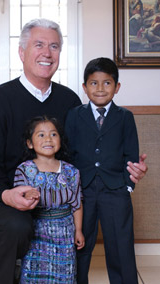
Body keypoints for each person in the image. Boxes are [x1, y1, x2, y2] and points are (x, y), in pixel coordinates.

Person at [0, 18, 147, 284]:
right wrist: (6, 194)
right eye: (39, 45)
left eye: (54, 46)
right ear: (22, 52)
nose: (47, 53)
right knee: (17, 225)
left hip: (54, 194)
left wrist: (127, 170)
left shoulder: (69, 101)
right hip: (2, 191)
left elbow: (81, 156)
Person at [65, 57, 140, 284]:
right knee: (80, 243)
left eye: (107, 83)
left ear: (117, 87)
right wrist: (69, 188)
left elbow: (131, 154)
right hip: (82, 191)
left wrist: (128, 185)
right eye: (93, 83)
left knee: (121, 245)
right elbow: (67, 152)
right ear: (84, 87)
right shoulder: (74, 115)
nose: (100, 88)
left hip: (115, 190)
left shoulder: (125, 117)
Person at [13, 115, 84, 283]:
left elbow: (77, 203)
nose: (48, 139)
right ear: (29, 143)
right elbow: (18, 196)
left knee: (64, 273)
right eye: (41, 135)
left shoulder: (71, 171)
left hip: (65, 230)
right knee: (35, 272)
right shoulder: (24, 169)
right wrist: (27, 195)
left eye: (53, 134)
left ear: (60, 140)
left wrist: (78, 230)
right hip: (37, 230)